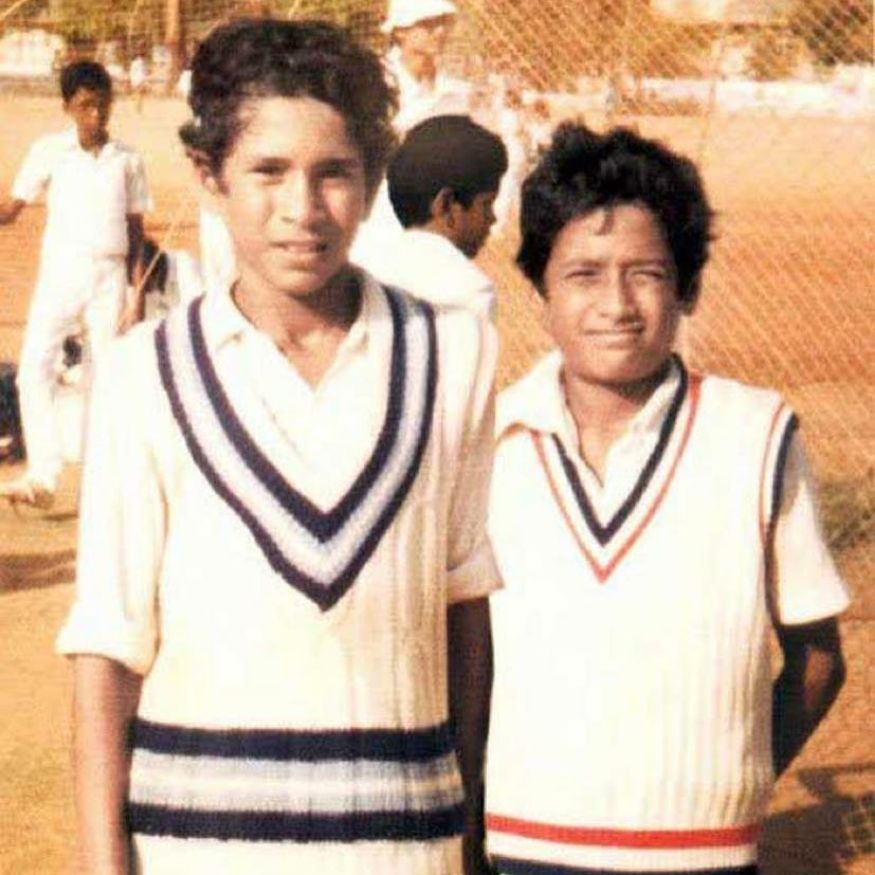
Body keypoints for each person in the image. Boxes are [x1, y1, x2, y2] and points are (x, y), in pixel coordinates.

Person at [57, 18, 498, 875]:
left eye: (333, 172)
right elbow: (108, 650)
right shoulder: (143, 372)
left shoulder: (454, 353)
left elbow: (463, 605)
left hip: (403, 849)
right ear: (209, 177)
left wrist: (464, 826)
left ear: (372, 182)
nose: (302, 208)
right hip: (195, 849)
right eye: (267, 170)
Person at [484, 124, 849, 875]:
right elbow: (465, 666)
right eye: (582, 273)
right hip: (521, 848)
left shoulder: (754, 434)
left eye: (645, 273)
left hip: (701, 855)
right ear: (540, 290)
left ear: (685, 287)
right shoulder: (489, 445)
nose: (615, 303)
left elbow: (817, 658)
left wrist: (730, 786)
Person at [0, 59, 151, 509]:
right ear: (67, 106)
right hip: (60, 274)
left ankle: (103, 481)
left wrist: (135, 293)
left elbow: (136, 230)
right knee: (34, 370)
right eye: (85, 106)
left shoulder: (127, 159)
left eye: (103, 105)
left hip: (110, 278)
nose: (95, 115)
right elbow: (12, 208)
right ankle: (43, 476)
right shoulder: (50, 151)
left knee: (106, 376)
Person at [355, 114, 507, 320]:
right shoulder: (469, 290)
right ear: (446, 205)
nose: (492, 218)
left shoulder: (360, 267)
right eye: (486, 204)